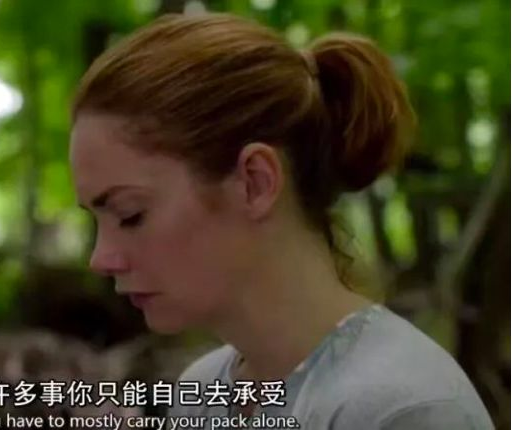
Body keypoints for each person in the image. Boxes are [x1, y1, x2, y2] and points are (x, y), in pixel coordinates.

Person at [68, 11, 494, 430]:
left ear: (255, 182)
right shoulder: (203, 389)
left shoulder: (402, 409)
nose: (101, 259)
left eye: (130, 214)